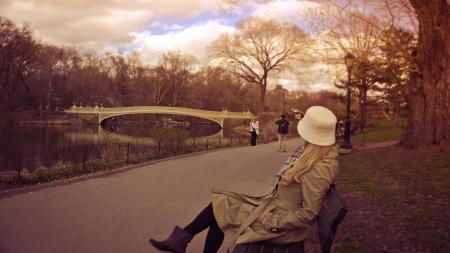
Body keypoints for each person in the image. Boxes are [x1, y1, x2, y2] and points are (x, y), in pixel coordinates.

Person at [149, 106, 339, 253]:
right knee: (220, 204)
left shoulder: (319, 168)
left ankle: (179, 241)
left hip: (280, 226)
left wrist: (271, 221)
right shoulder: (313, 156)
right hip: (273, 210)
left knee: (220, 210)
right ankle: (179, 241)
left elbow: (309, 214)